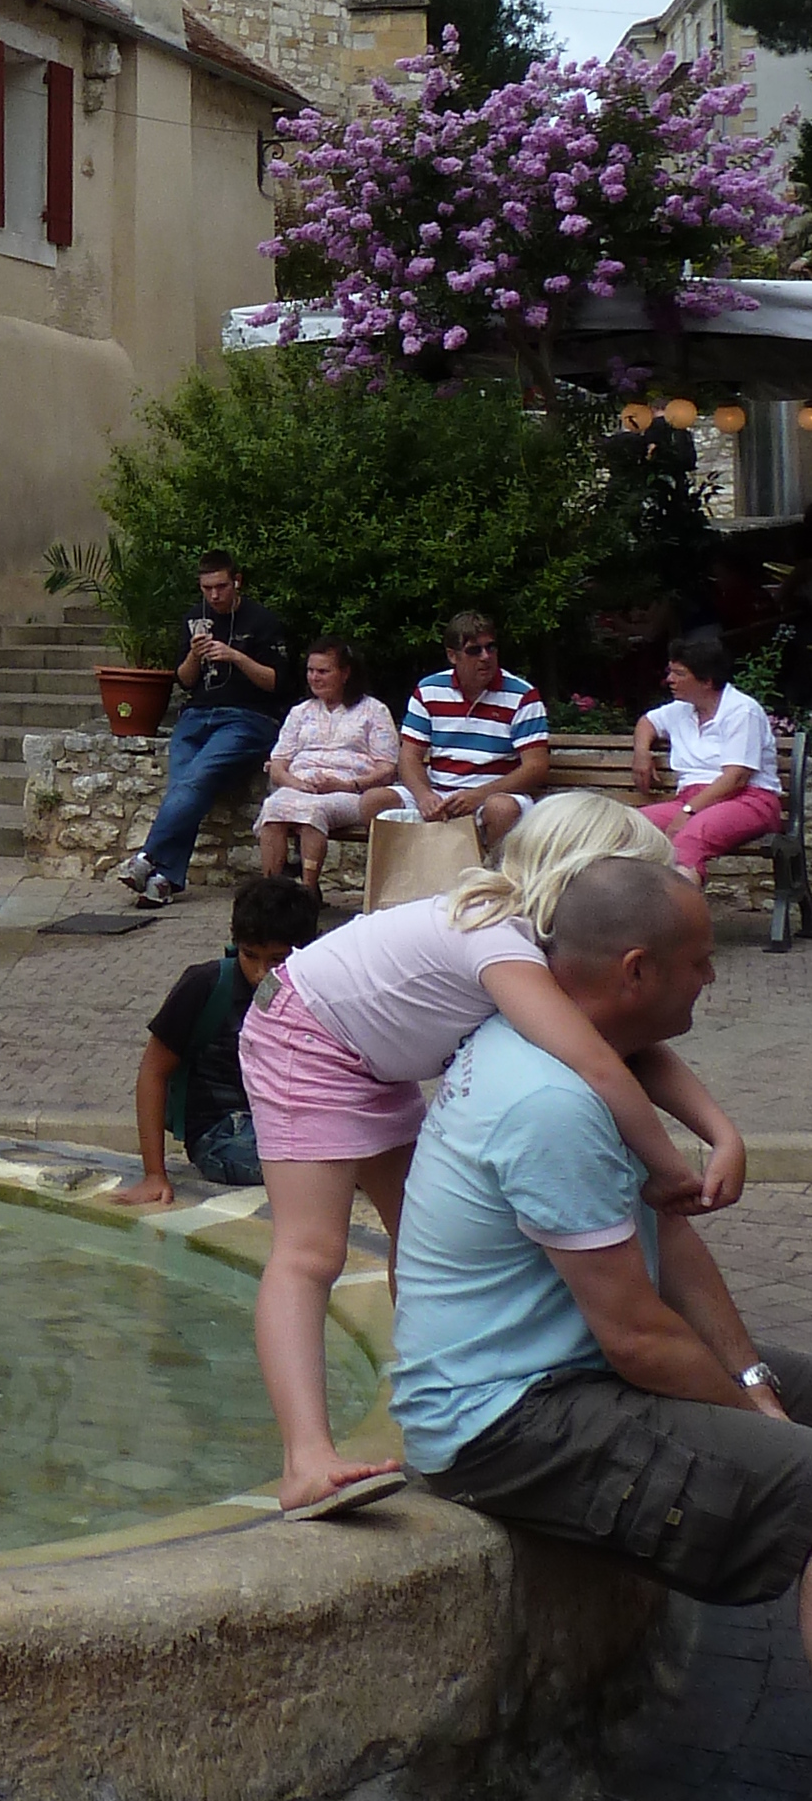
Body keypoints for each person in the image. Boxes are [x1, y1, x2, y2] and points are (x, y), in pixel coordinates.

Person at [236, 794, 745, 1515]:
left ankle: (432, 1390)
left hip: (365, 1053)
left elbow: (623, 1052)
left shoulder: (532, 945)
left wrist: (719, 1129)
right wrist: (667, 1166)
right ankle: (305, 1459)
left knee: (415, 1234)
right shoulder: (498, 941)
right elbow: (598, 1065)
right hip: (305, 1042)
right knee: (308, 1252)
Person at [394, 857, 812, 1641]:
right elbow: (637, 1340)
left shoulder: (581, 1051)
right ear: (635, 971)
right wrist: (762, 1425)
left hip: (568, 1374)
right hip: (504, 1423)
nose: (712, 979)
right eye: (699, 962)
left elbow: (670, 1244)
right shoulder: (550, 1101)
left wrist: (754, 1379)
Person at [115, 874, 316, 1203]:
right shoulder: (206, 985)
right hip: (222, 1132)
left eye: (277, 960)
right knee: (326, 1159)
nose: (261, 972)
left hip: (290, 1119)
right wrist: (154, 1174)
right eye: (250, 956)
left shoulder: (318, 989)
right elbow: (153, 1072)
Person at [117, 552, 285, 910]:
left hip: (248, 717)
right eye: (207, 588)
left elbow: (276, 683)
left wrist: (235, 656)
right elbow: (185, 680)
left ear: (237, 581)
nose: (214, 596)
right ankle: (166, 879)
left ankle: (147, 857)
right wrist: (194, 656)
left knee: (195, 780)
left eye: (221, 587)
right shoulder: (195, 618)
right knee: (186, 785)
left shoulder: (262, 621)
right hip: (197, 715)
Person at [632, 627, 785, 880]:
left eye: (679, 673)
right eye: (671, 671)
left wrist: (688, 812)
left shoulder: (741, 711)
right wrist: (641, 753)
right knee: (629, 828)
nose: (669, 679)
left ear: (707, 681)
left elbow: (736, 778)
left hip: (747, 800)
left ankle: (681, 917)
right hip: (692, 801)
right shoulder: (681, 708)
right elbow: (647, 722)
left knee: (690, 838)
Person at [254, 641, 404, 890]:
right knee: (273, 809)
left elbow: (387, 768)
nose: (315, 677)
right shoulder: (300, 712)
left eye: (323, 671)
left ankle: (308, 892)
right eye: (311, 671)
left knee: (313, 812)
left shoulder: (373, 711)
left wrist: (347, 784)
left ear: (345, 673)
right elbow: (279, 763)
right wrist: (297, 783)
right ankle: (270, 891)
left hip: (350, 792)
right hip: (300, 788)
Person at [398, 612, 551, 853]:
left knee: (501, 809)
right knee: (373, 801)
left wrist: (478, 795)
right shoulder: (429, 689)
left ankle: (495, 881)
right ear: (452, 655)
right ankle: (396, 883)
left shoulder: (522, 695)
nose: (486, 657)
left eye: (491, 648)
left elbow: (536, 767)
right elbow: (409, 757)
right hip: (439, 791)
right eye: (474, 650)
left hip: (495, 793)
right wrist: (424, 795)